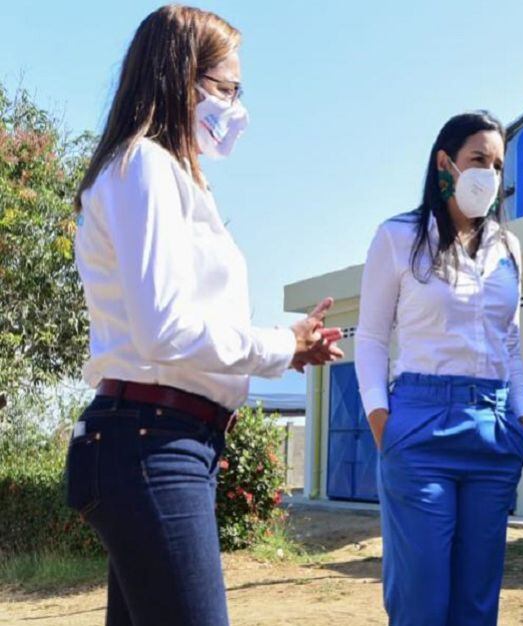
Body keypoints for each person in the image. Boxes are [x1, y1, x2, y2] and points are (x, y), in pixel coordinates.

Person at [67, 7, 343, 625]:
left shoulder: (163, 174)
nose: (235, 106)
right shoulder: (146, 167)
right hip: (150, 440)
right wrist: (277, 343)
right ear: (179, 77)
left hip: (160, 440)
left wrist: (287, 348)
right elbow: (163, 328)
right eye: (225, 88)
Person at [354, 111, 523, 626]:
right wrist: (381, 420)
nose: (489, 175)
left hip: (493, 427)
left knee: (478, 602)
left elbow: (510, 339)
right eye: (478, 159)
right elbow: (369, 337)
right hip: (419, 424)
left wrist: (522, 417)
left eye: (498, 165)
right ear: (445, 163)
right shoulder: (398, 237)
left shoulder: (508, 248)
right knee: (421, 599)